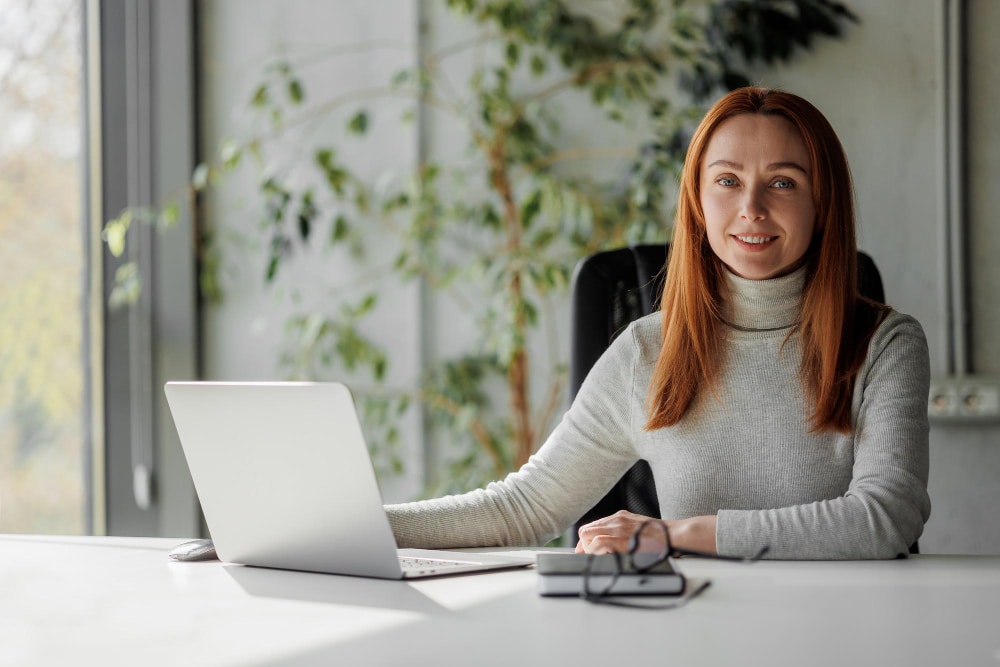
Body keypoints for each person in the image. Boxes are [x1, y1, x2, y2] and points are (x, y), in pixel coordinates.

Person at [385, 87, 931, 560]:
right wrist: (363, 524)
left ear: (823, 201)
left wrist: (677, 534)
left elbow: (885, 518)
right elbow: (522, 507)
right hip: (693, 630)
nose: (752, 207)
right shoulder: (649, 351)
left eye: (783, 182)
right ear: (697, 200)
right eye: (727, 180)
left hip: (846, 632)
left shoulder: (885, 345)